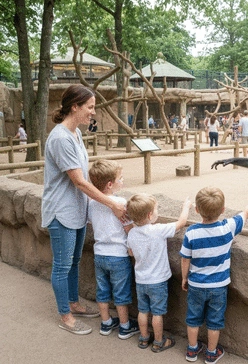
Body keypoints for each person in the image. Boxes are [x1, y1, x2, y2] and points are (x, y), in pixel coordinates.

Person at [41, 84, 126, 336]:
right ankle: (65, 315)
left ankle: (74, 303)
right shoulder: (60, 138)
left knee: (74, 261)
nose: (93, 112)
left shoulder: (75, 134)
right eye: (90, 107)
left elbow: (84, 179)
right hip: (61, 211)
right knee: (62, 265)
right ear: (75, 107)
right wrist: (112, 203)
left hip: (76, 210)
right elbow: (79, 181)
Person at [180, 186, 248, 363]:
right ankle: (211, 353)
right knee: (214, 321)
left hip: (196, 285)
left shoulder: (192, 233)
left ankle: (192, 350)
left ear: (196, 210)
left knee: (193, 318)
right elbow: (246, 212)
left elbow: (185, 259)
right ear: (222, 210)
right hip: (218, 286)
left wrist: (184, 277)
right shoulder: (228, 227)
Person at [126, 192, 192, 353]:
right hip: (158, 282)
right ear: (150, 215)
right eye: (156, 210)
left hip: (141, 280)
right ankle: (158, 341)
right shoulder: (158, 230)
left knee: (143, 311)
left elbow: (130, 253)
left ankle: (143, 338)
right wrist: (186, 206)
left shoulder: (132, 233)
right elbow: (182, 222)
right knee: (157, 313)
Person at [88, 159, 139, 339]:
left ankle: (106, 322)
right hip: (118, 256)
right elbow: (128, 229)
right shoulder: (120, 202)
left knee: (102, 290)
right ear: (110, 184)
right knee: (121, 292)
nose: (122, 181)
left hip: (100, 254)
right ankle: (125, 326)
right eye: (120, 178)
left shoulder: (92, 202)